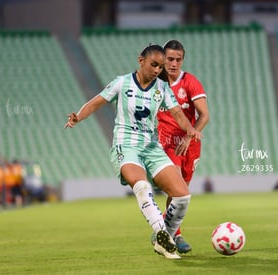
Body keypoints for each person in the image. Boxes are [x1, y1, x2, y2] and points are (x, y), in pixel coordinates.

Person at [64, 44, 203, 259]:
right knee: (141, 185)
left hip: (151, 147)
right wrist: (78, 117)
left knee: (183, 196)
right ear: (141, 61)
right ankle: (161, 233)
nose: (157, 70)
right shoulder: (123, 82)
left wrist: (190, 129)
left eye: (160, 67)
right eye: (153, 65)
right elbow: (97, 102)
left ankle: (164, 238)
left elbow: (178, 113)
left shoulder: (162, 88)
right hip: (126, 145)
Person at [156, 40, 210, 253]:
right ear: (163, 59)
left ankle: (164, 224)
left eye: (178, 59)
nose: (174, 63)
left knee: (182, 192)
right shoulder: (157, 82)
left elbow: (205, 114)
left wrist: (189, 137)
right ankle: (175, 235)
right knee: (177, 185)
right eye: (170, 59)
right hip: (168, 141)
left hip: (190, 143)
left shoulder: (190, 82)